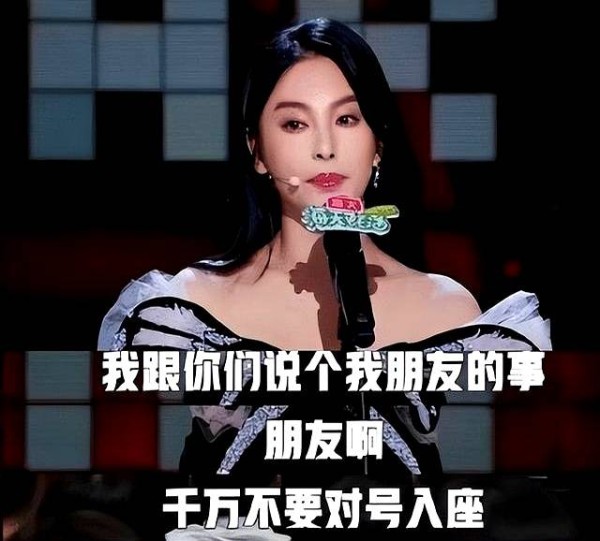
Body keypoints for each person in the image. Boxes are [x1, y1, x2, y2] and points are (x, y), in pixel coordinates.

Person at [98, 17, 551, 534]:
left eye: (347, 119)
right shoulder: (187, 311)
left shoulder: (446, 311)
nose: (325, 147)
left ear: (378, 143)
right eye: (295, 123)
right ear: (256, 149)